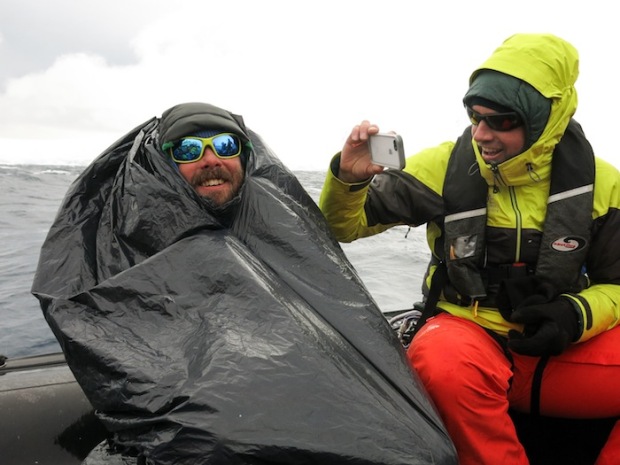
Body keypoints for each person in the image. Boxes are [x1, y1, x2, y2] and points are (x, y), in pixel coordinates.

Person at [32, 103, 458, 464]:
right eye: (188, 149)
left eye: (224, 146)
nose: (211, 159)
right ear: (163, 162)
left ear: (243, 153)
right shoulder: (129, 234)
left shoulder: (276, 216)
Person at [319, 33, 620, 465]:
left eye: (502, 121)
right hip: (468, 336)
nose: (482, 133)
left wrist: (577, 315)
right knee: (440, 363)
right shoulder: (441, 166)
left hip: (559, 349)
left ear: (544, 119)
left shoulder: (605, 184)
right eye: (475, 116)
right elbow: (340, 229)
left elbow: (617, 285)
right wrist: (349, 179)